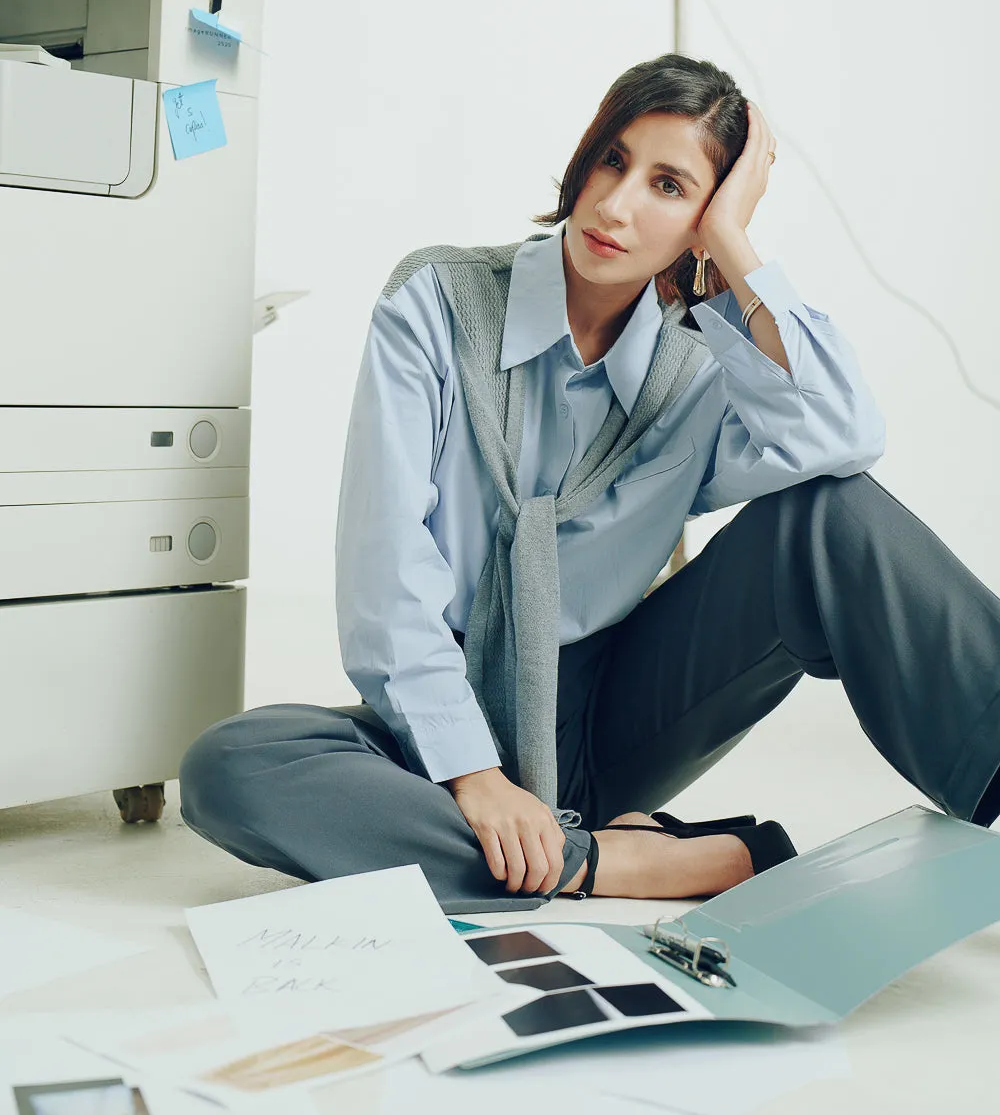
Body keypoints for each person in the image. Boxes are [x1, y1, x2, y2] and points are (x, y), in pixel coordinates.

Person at [179, 54, 1000, 915]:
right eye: (613, 160)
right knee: (233, 766)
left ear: (705, 221)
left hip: (616, 712)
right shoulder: (438, 301)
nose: (615, 206)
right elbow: (387, 573)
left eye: (670, 187)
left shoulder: (700, 363)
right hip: (443, 701)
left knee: (831, 516)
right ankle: (614, 860)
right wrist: (473, 775)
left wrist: (733, 245)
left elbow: (841, 435)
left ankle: (555, 849)